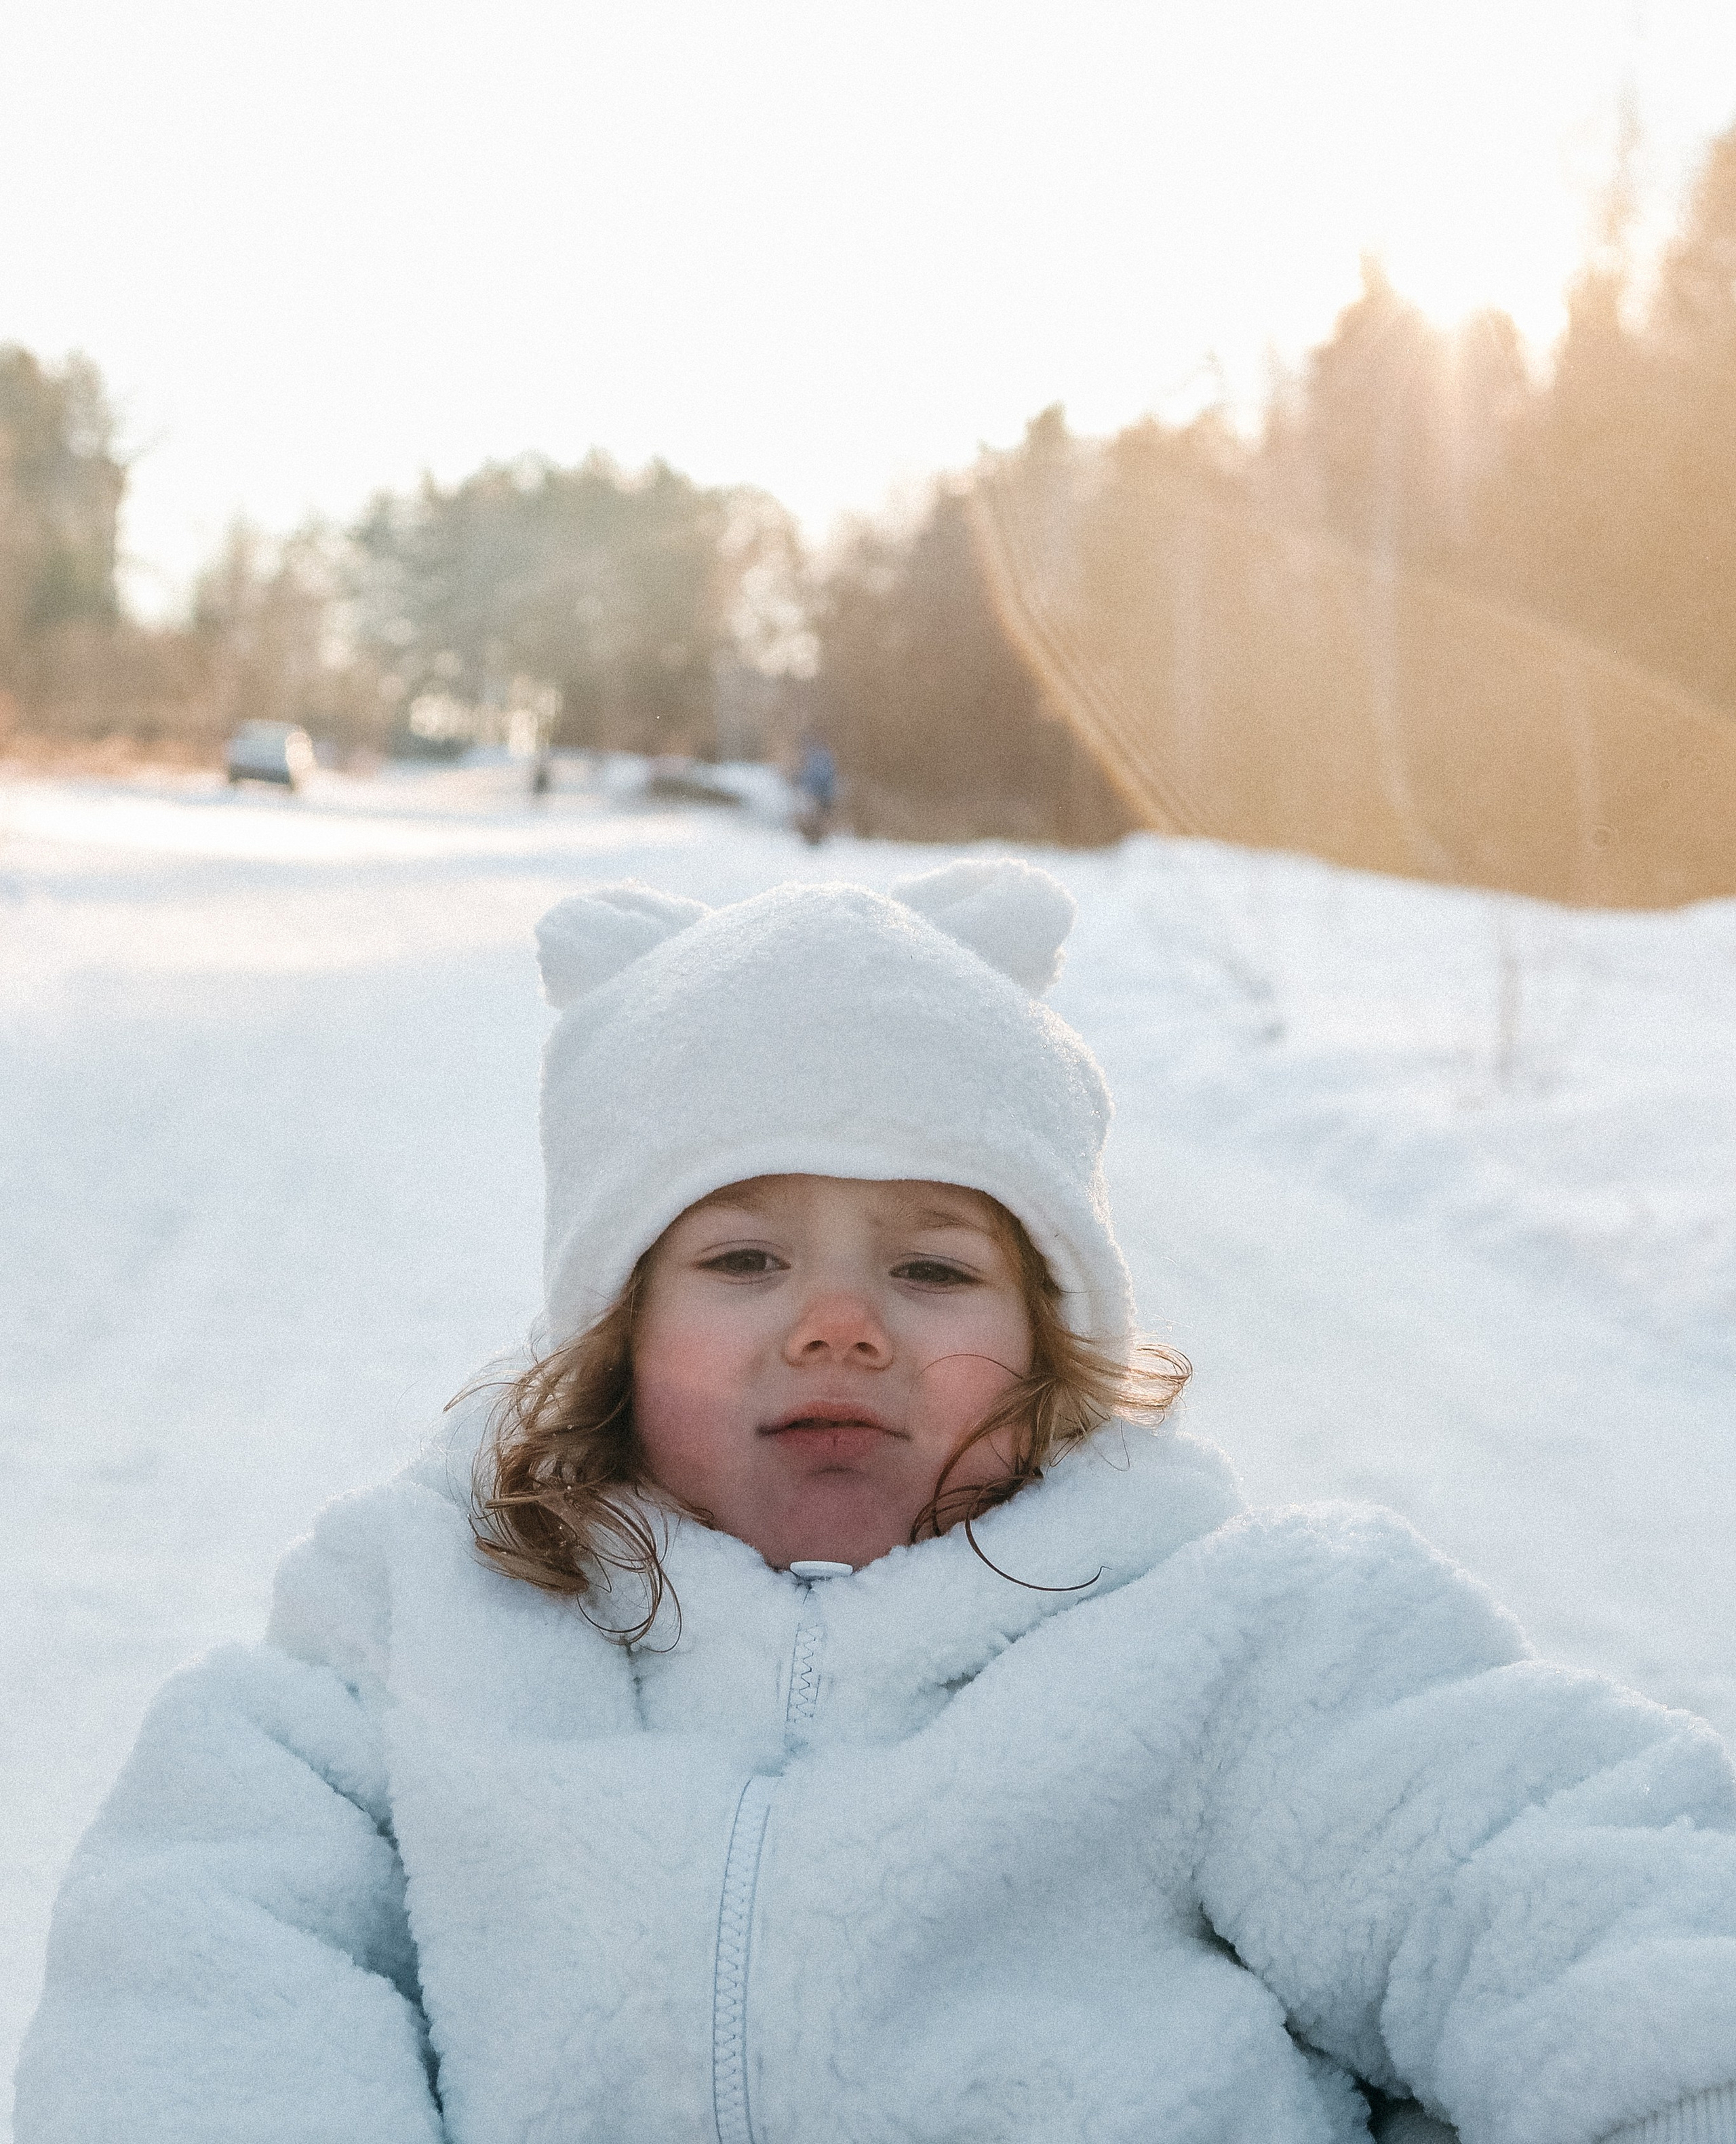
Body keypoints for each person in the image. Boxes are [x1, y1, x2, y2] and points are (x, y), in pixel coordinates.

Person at [18, 862, 1736, 2144]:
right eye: (744, 1255)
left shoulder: (1240, 1645)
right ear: (611, 1334)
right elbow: (200, 1969)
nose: (838, 1321)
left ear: (1054, 1342)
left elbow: (1543, 1871)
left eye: (930, 1265)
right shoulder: (415, 1638)